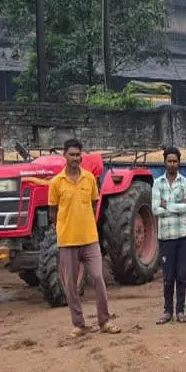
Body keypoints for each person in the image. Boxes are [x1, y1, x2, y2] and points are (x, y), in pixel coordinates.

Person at [48, 138, 120, 338]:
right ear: (65, 155)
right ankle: (79, 324)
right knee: (70, 284)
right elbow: (53, 211)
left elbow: (95, 204)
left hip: (90, 239)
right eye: (71, 155)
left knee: (98, 277)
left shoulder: (89, 179)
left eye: (78, 155)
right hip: (67, 241)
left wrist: (86, 223)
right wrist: (62, 228)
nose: (75, 158)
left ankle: (104, 321)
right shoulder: (56, 183)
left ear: (82, 156)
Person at [152, 146, 186, 325]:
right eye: (169, 161)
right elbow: (155, 209)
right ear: (164, 163)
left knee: (182, 275)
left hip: (182, 236)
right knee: (168, 277)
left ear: (179, 163)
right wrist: (177, 205)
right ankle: (167, 311)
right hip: (165, 237)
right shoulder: (157, 183)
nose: (172, 164)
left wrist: (166, 205)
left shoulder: (185, 183)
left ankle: (181, 311)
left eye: (175, 161)